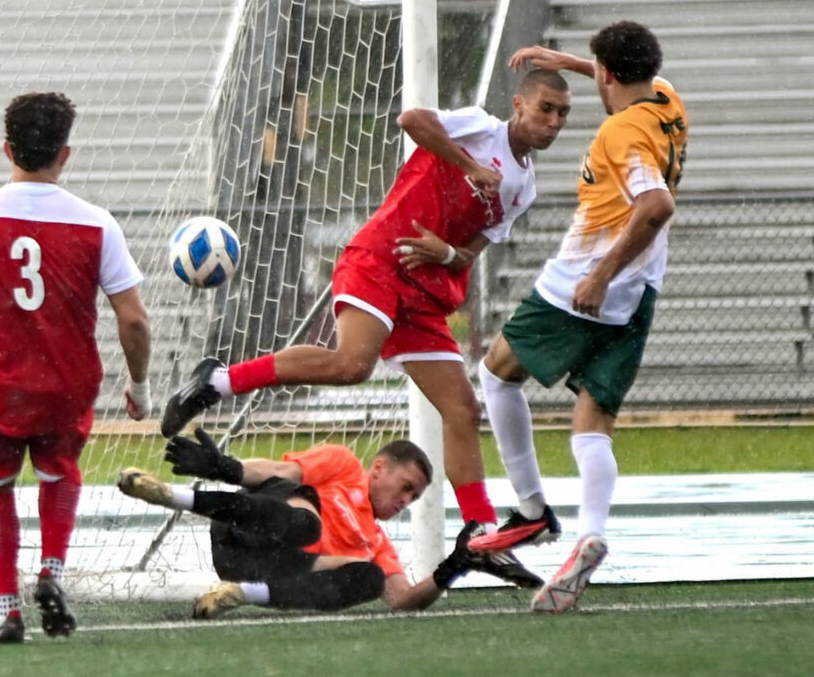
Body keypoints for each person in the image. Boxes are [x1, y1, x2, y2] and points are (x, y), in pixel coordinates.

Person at [160, 70, 573, 586]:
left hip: (424, 293)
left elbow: (473, 250)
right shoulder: (479, 129)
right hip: (380, 258)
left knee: (462, 408)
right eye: (545, 108)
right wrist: (470, 166)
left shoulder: (525, 187)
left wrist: (448, 254)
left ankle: (479, 533)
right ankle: (217, 381)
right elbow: (412, 120)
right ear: (519, 104)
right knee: (351, 365)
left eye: (562, 114)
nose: (553, 121)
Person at [467, 21, 689, 614]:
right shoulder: (667, 99)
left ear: (609, 75)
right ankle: (590, 532)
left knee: (495, 373)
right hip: (642, 292)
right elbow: (615, 73)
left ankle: (533, 513)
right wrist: (560, 61)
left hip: (584, 285)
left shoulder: (621, 134)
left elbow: (655, 205)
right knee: (593, 420)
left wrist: (597, 276)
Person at [0, 92, 153, 644]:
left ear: (7, 148)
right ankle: (51, 571)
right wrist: (140, 386)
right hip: (64, 381)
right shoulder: (97, 224)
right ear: (64, 155)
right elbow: (135, 321)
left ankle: (6, 608)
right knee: (58, 473)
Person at [117, 428, 513, 617]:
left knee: (370, 577)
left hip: (252, 568)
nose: (406, 502)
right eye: (406, 487)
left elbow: (403, 600)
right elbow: (277, 471)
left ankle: (240, 595)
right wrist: (227, 467)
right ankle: (176, 497)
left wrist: (454, 567)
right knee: (308, 523)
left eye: (414, 498)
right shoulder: (343, 465)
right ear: (379, 468)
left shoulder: (376, 541)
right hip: (242, 526)